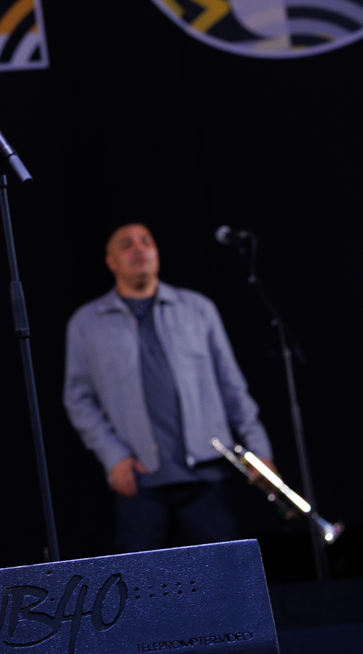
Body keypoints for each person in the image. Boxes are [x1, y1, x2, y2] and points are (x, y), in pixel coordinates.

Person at [62, 224, 269, 553]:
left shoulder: (197, 309)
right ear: (111, 262)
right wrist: (114, 457)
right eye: (127, 245)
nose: (139, 249)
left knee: (223, 572)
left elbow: (231, 385)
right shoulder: (87, 322)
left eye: (146, 242)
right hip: (140, 479)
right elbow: (78, 399)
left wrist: (259, 448)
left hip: (206, 473)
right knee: (139, 578)